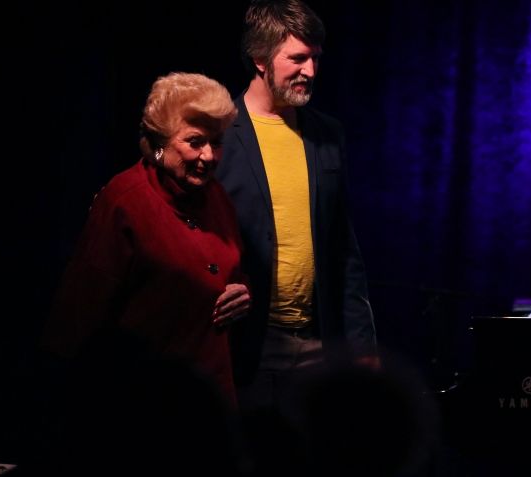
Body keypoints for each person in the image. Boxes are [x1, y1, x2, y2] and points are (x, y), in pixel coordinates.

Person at [42, 72, 250, 405]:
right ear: (160, 143)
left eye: (217, 142)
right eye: (195, 141)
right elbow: (80, 314)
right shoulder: (125, 200)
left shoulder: (217, 198)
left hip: (209, 400)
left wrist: (241, 290)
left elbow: (228, 268)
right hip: (143, 403)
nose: (209, 156)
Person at [217, 0, 377, 415]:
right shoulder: (216, 133)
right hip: (244, 346)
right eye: (298, 58)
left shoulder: (326, 134)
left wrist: (362, 347)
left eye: (315, 58)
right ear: (259, 59)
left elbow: (344, 249)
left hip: (316, 346)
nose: (310, 70)